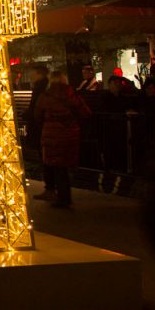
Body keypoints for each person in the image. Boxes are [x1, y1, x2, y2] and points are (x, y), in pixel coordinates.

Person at [35, 70, 91, 208]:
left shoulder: (45, 96)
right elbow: (86, 113)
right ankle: (64, 196)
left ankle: (59, 195)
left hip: (51, 135)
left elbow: (37, 115)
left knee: (53, 165)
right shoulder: (72, 95)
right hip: (70, 134)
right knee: (63, 167)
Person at [24, 64, 51, 199]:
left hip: (40, 128)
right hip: (42, 128)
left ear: (39, 73)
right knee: (47, 158)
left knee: (46, 158)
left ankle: (51, 188)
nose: (30, 75)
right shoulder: (43, 87)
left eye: (32, 72)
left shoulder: (41, 88)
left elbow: (37, 108)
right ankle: (52, 188)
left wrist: (28, 115)